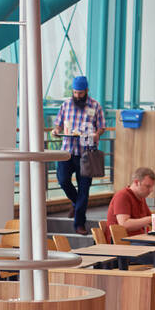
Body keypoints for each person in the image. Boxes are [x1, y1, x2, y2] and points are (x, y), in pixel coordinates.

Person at [53, 75, 105, 236]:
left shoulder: (95, 106)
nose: (77, 96)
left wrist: (97, 134)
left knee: (84, 189)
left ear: (86, 91)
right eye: (75, 92)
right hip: (67, 151)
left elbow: (102, 127)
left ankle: (79, 224)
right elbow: (58, 124)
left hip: (86, 152)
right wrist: (56, 131)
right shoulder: (66, 104)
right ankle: (76, 204)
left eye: (80, 93)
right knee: (63, 180)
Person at [108, 167, 155, 236]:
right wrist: (150, 219)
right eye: (148, 186)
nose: (151, 190)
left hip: (137, 239)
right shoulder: (122, 196)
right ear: (136, 182)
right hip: (122, 242)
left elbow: (150, 218)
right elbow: (124, 224)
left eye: (152, 187)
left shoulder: (141, 197)